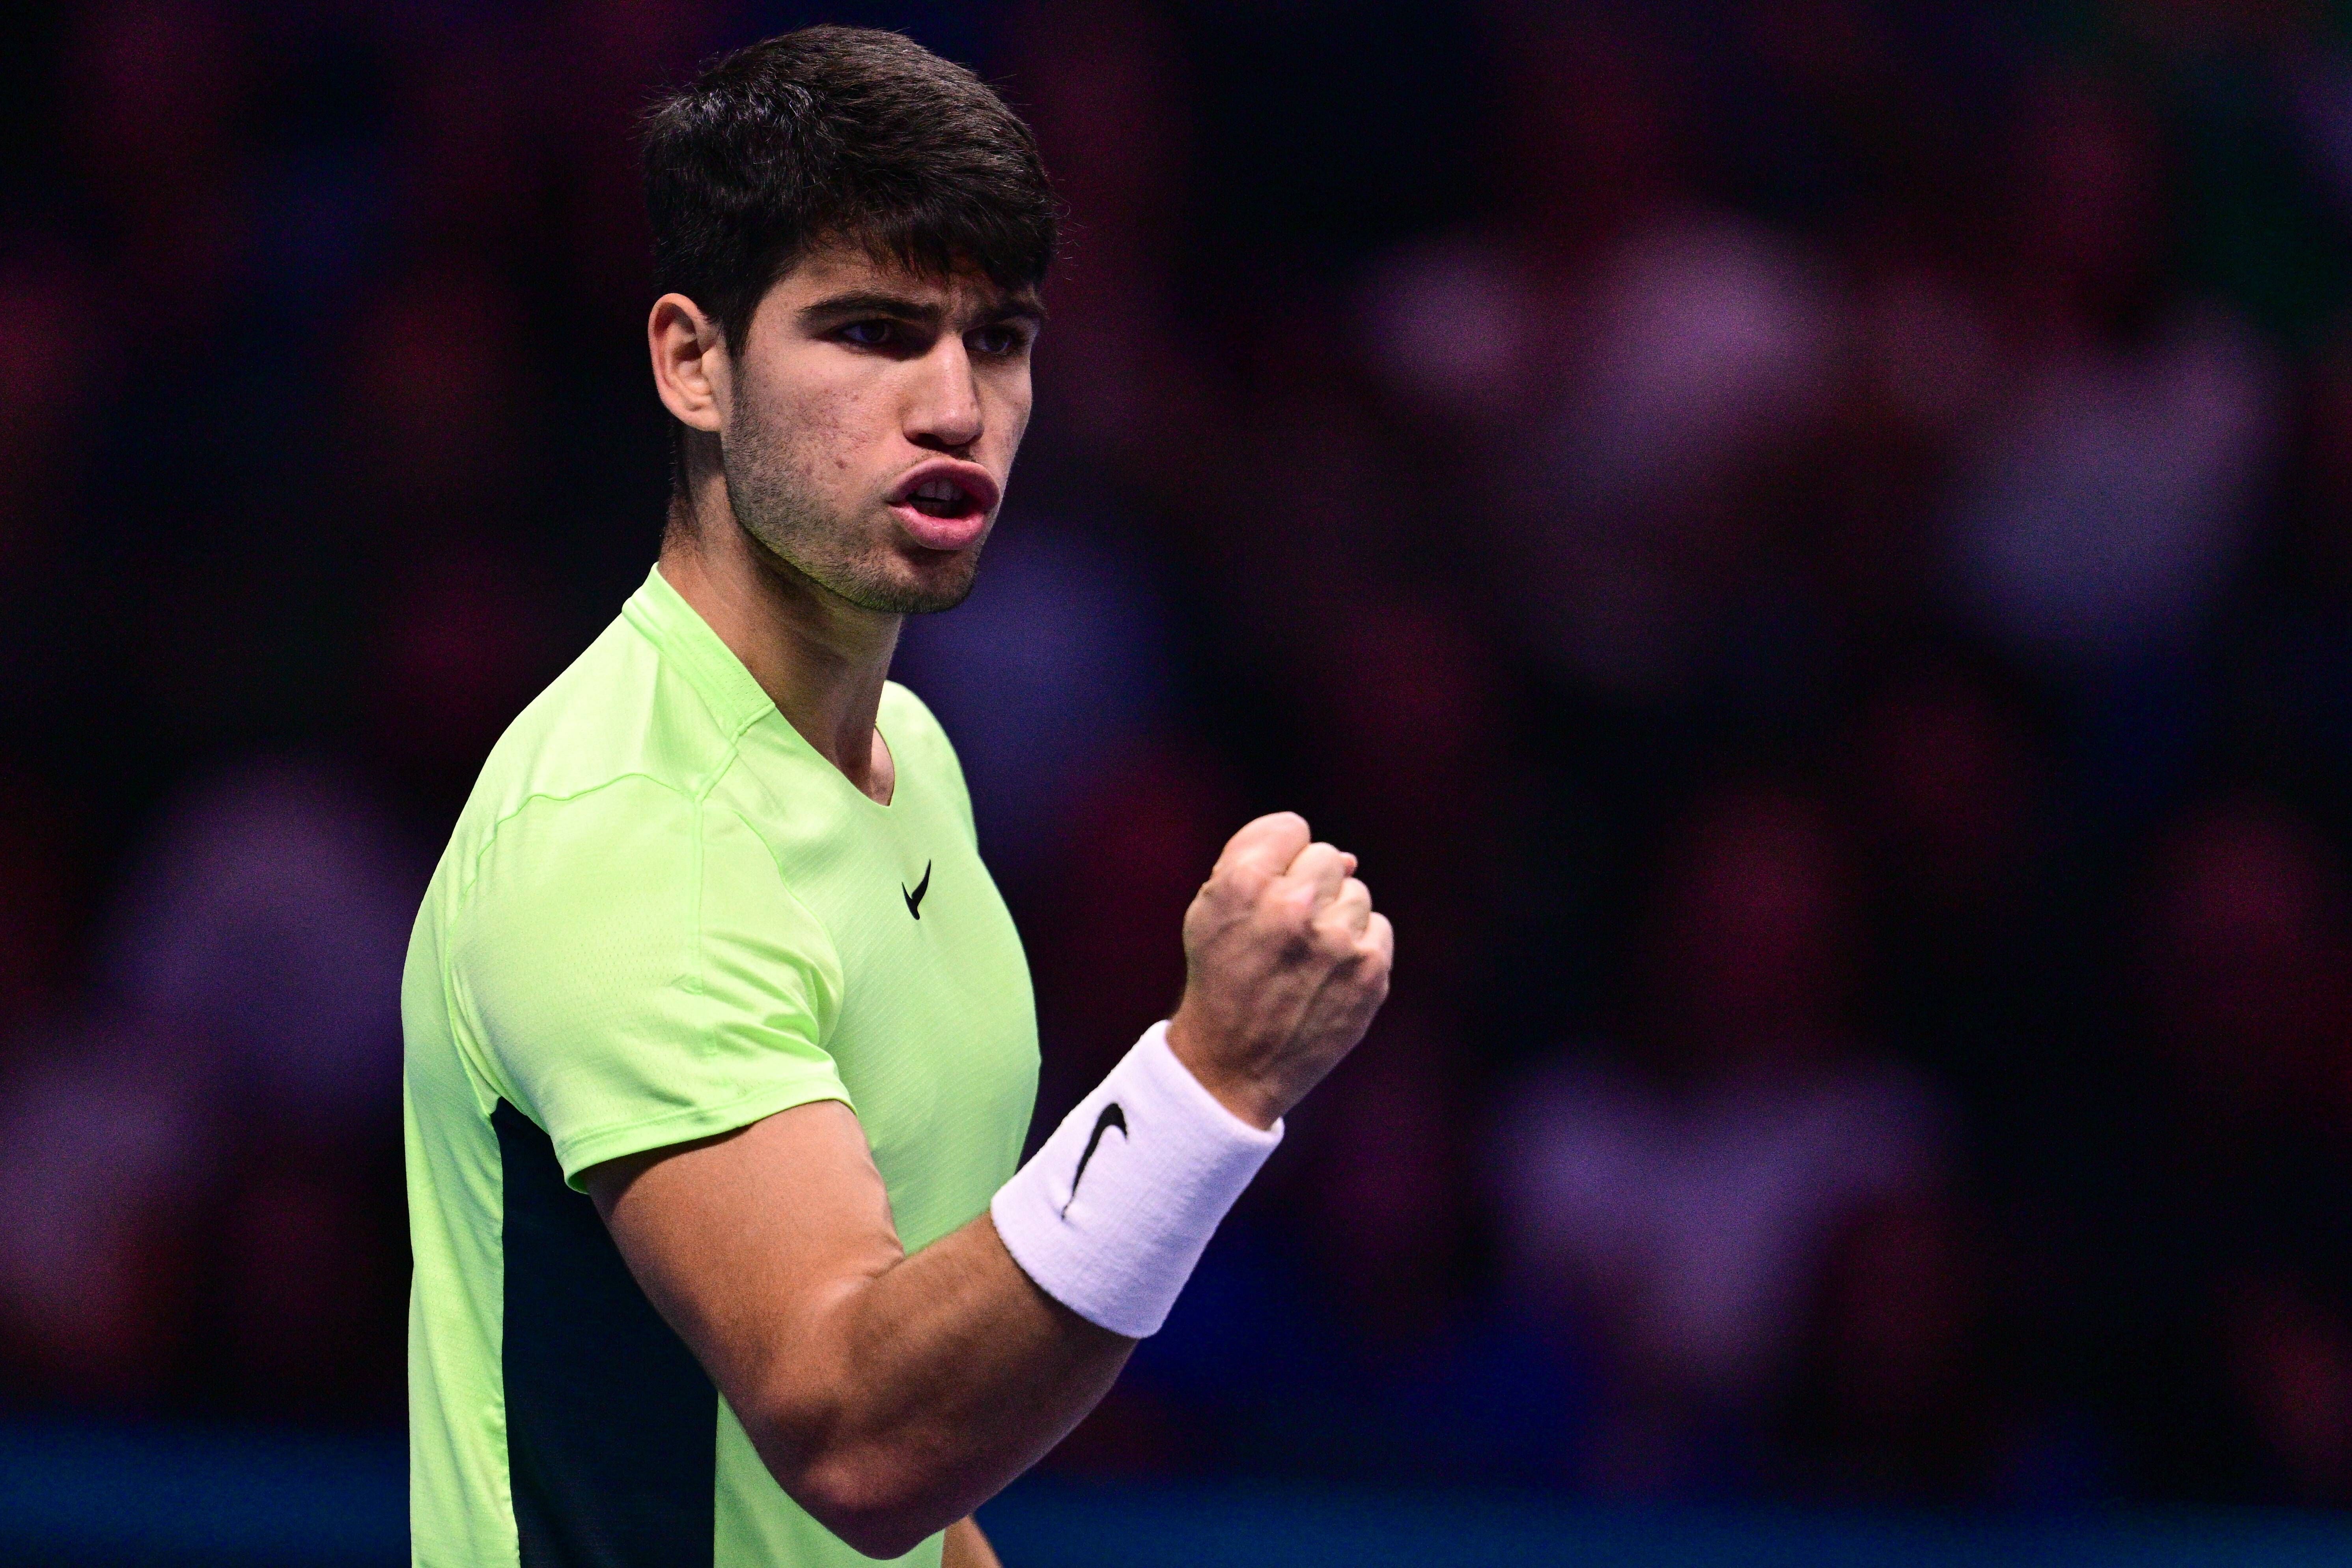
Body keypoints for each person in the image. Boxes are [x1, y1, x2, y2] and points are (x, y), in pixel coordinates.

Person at [401, 28, 1393, 1568]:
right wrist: (1209, 1084)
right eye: (870, 331)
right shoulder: (628, 835)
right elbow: (859, 1435)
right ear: (694, 362)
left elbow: (906, 1497)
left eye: (997, 337)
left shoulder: (907, 756)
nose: (956, 406)